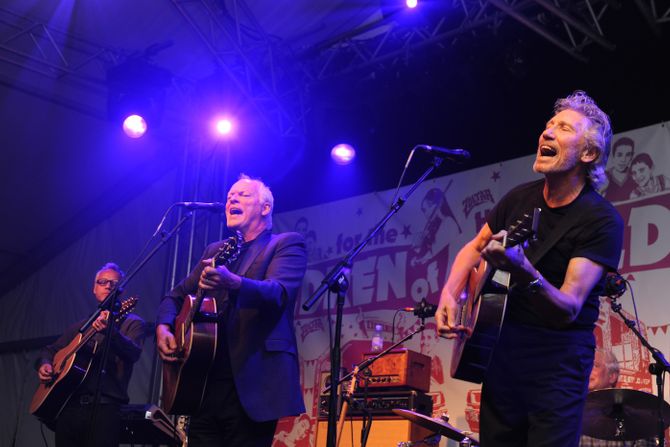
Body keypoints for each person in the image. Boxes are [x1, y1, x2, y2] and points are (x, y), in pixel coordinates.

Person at [436, 90, 624, 447]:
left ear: (588, 153)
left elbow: (569, 307)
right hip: (503, 355)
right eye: (548, 125)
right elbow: (475, 247)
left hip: (558, 365)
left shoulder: (601, 220)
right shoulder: (519, 198)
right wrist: (450, 292)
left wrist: (523, 270)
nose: (547, 133)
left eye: (564, 128)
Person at [156, 174, 308, 447]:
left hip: (252, 385)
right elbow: (175, 295)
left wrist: (234, 282)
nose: (232, 200)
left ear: (265, 208)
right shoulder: (216, 250)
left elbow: (279, 292)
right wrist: (164, 326)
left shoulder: (285, 243)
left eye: (242, 195)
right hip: (203, 383)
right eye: (228, 197)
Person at [35, 262, 146, 447]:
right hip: (69, 407)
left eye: (114, 283)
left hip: (106, 408)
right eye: (103, 282)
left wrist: (111, 332)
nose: (108, 286)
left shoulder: (132, 323)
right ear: (94, 288)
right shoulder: (81, 326)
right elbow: (50, 350)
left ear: (122, 291)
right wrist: (45, 364)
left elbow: (133, 353)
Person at [579, 349, 656, 447]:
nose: (587, 370)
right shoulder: (573, 409)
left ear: (612, 376)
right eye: (585, 365)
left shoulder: (633, 412)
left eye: (595, 365)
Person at [602, 137, 636, 202]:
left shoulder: (636, 175)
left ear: (632, 156)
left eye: (628, 155)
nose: (623, 160)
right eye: (619, 155)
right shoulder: (604, 177)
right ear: (613, 156)